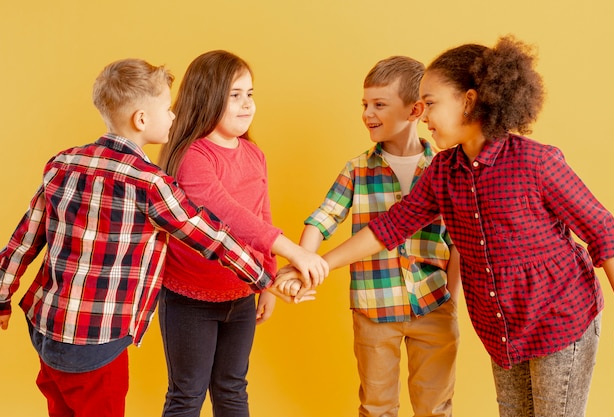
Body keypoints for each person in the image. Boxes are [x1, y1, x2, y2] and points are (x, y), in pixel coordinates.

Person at [277, 36, 614, 417]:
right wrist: (316, 264)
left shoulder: (536, 162)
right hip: (503, 329)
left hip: (561, 318)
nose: (423, 116)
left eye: (430, 104)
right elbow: (387, 229)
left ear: (470, 101)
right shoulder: (442, 173)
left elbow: (604, 231)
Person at [0, 58, 320, 417]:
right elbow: (212, 236)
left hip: (46, 327)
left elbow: (23, 239)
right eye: (167, 109)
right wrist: (266, 278)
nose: (173, 116)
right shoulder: (150, 183)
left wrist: (1, 295)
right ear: (141, 119)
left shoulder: (63, 163)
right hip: (99, 334)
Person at [279, 56, 461, 417]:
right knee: (376, 406)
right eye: (365, 104)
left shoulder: (444, 168)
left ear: (415, 110)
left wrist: (451, 302)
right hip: (373, 311)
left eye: (379, 104)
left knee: (436, 406)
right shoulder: (357, 170)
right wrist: (302, 263)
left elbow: (457, 243)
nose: (367, 113)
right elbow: (321, 220)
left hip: (434, 306)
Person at [156, 50, 324, 417]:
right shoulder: (192, 156)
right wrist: (296, 252)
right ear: (207, 96)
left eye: (250, 94)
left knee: (232, 389)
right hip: (189, 299)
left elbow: (261, 215)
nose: (247, 104)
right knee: (187, 395)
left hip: (241, 295)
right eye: (235, 95)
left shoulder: (254, 153)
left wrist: (266, 283)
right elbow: (228, 216)